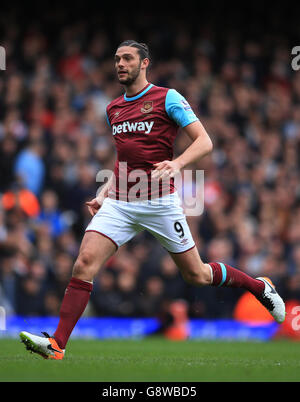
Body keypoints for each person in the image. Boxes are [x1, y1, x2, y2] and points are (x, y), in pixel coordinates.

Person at [20, 40, 285, 360]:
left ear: (144, 64)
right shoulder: (113, 109)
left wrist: (176, 164)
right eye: (117, 58)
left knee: (197, 274)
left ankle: (259, 288)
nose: (120, 64)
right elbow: (124, 160)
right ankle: (57, 344)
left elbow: (205, 141)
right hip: (121, 200)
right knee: (83, 263)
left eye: (128, 58)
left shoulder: (167, 97)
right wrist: (104, 192)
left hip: (161, 202)